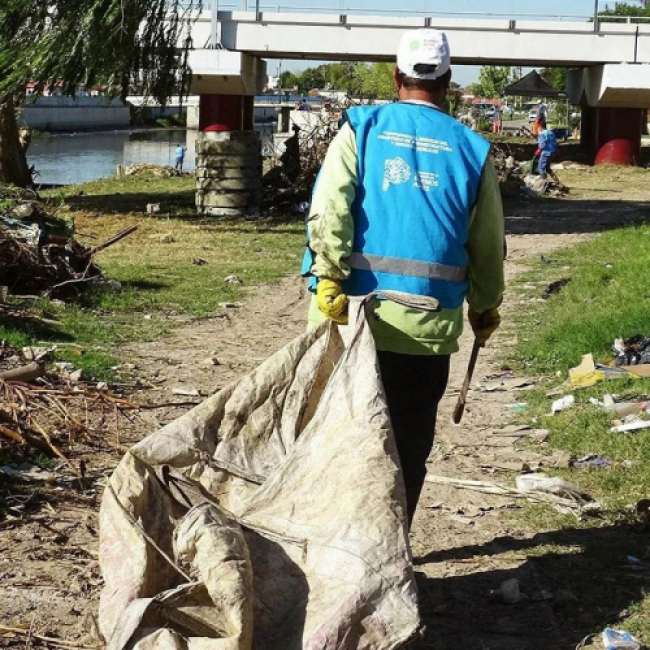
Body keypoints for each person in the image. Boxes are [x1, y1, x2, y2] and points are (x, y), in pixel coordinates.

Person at [301, 28, 505, 526]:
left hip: (349, 323)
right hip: (426, 333)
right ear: (449, 81)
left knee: (337, 443)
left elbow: (330, 211)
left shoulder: (361, 128)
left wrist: (329, 278)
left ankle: (331, 556)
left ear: (397, 76)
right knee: (406, 454)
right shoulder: (473, 151)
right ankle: (390, 558)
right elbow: (487, 246)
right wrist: (484, 306)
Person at [535, 116, 559, 182]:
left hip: (546, 153)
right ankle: (557, 181)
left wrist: (538, 151)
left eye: (538, 127)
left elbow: (542, 145)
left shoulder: (542, 134)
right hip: (552, 152)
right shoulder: (551, 132)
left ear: (540, 127)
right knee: (547, 168)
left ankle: (545, 183)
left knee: (540, 168)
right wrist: (556, 151)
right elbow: (555, 143)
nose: (537, 129)